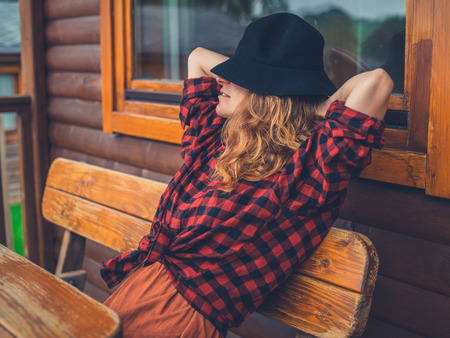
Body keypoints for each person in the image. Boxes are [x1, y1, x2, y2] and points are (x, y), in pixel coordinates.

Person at [101, 13, 392, 337]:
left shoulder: (301, 178)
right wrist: (268, 83)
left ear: (272, 96)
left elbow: (377, 83)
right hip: (137, 291)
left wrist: (309, 106)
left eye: (240, 75)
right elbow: (197, 58)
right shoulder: (215, 145)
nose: (221, 80)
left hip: (179, 322)